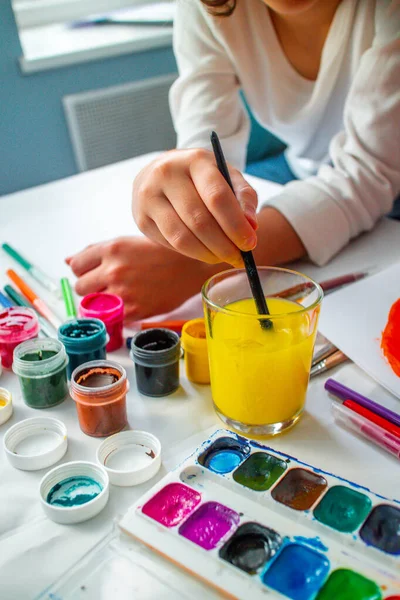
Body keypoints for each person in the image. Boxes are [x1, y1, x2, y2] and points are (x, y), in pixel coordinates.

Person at [66, 0, 400, 322]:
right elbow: (204, 146)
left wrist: (196, 267)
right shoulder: (209, 5)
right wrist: (190, 185)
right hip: (301, 167)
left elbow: (368, 174)